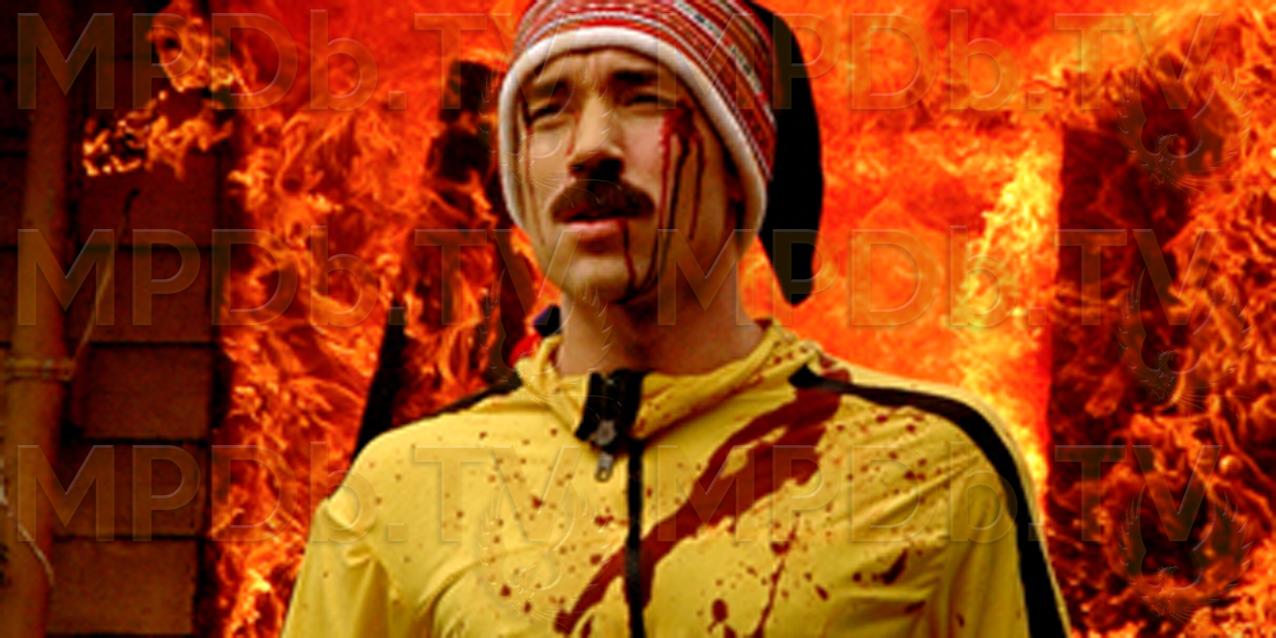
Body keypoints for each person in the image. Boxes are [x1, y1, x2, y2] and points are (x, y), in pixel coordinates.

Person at [281, 1, 1072, 636]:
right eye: (549, 111)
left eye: (643, 96)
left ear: (740, 165)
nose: (591, 147)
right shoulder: (398, 486)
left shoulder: (932, 463)